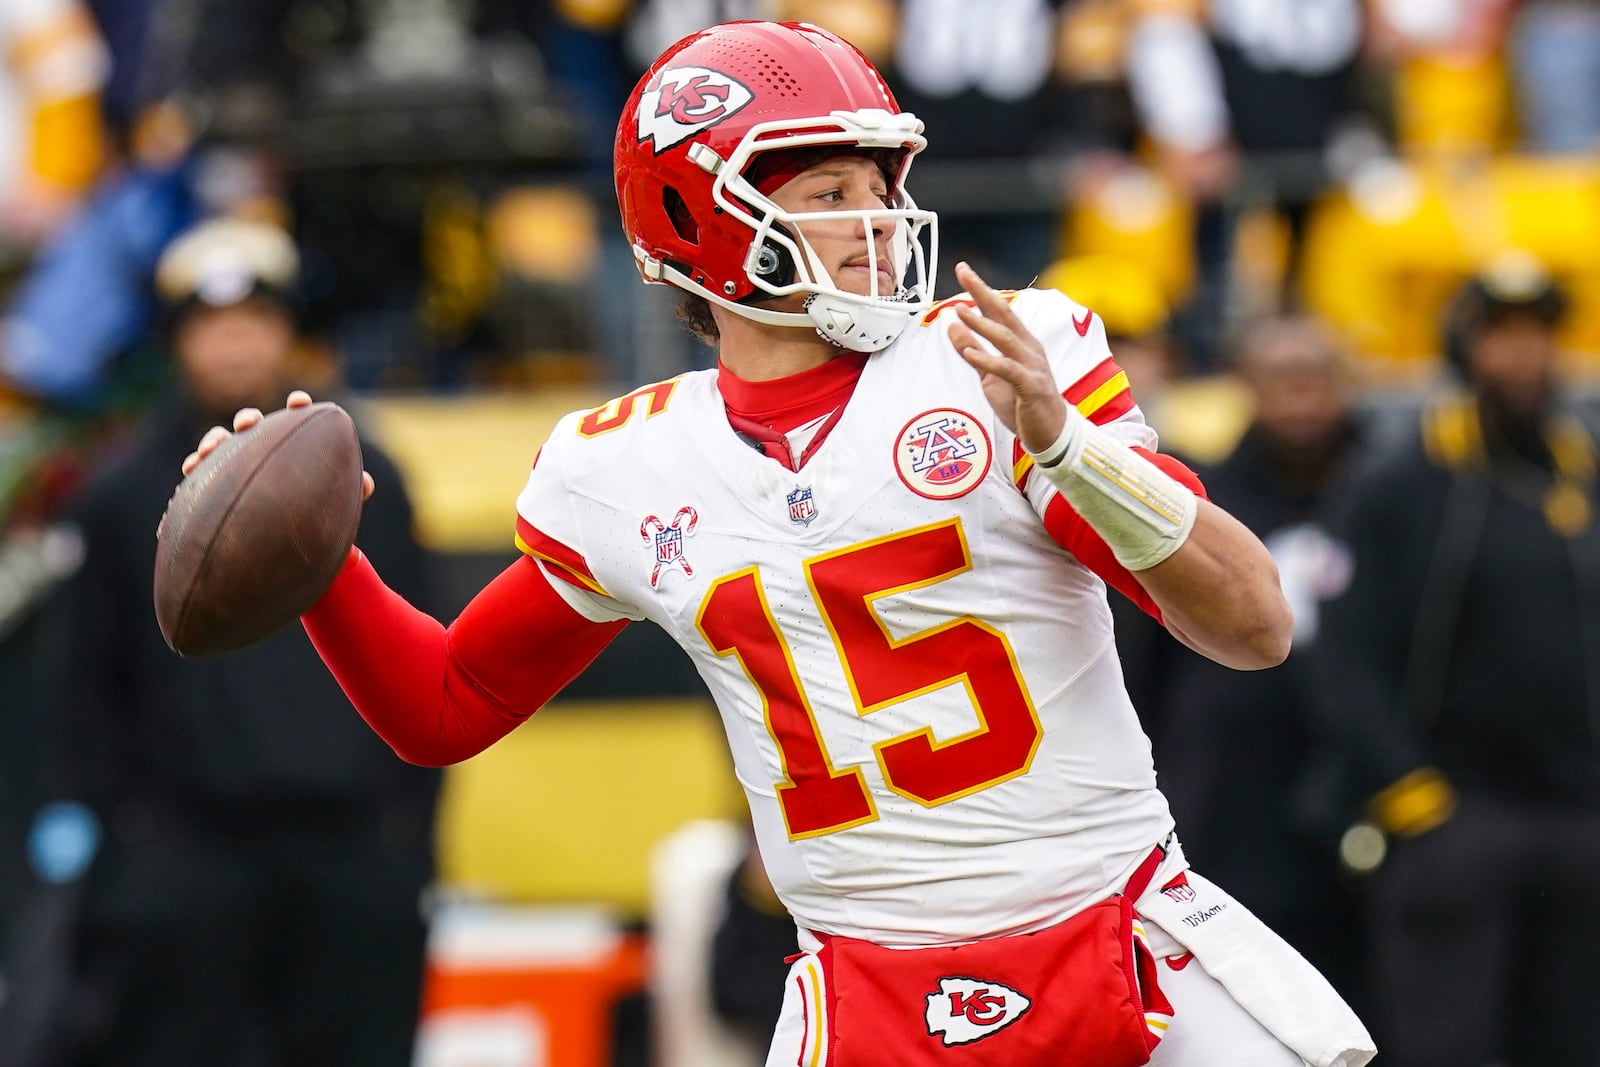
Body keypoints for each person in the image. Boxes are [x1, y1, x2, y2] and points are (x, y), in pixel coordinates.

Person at [189, 21, 1372, 1066]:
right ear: (696, 219)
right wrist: (318, 562)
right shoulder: (626, 467)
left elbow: (1253, 623)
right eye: (825, 193)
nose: (874, 221)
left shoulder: (1004, 360)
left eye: (877, 181)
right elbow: (443, 704)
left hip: (1118, 928)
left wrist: (1069, 449)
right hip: (867, 988)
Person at [29, 218, 440, 1067]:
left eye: (255, 320)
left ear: (290, 333)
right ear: (176, 340)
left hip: (345, 844)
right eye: (210, 324)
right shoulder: (114, 496)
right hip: (184, 849)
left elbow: (423, 655)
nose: (234, 341)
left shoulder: (373, 482)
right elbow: (82, 685)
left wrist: (407, 836)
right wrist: (118, 845)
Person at [1315, 251, 1600, 1067]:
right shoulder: (1402, 484)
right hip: (1455, 817)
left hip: (1579, 817)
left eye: (1538, 334)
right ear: (1462, 346)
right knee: (1451, 1045)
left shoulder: (1583, 469)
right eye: (1501, 334)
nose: (1522, 355)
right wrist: (1410, 795)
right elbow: (1345, 654)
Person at [1149, 317, 1367, 1010]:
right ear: (1247, 388)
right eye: (1282, 382)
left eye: (1316, 380)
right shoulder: (1208, 497)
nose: (1301, 401)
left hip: (1367, 781)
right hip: (1233, 791)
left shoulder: (1393, 490)